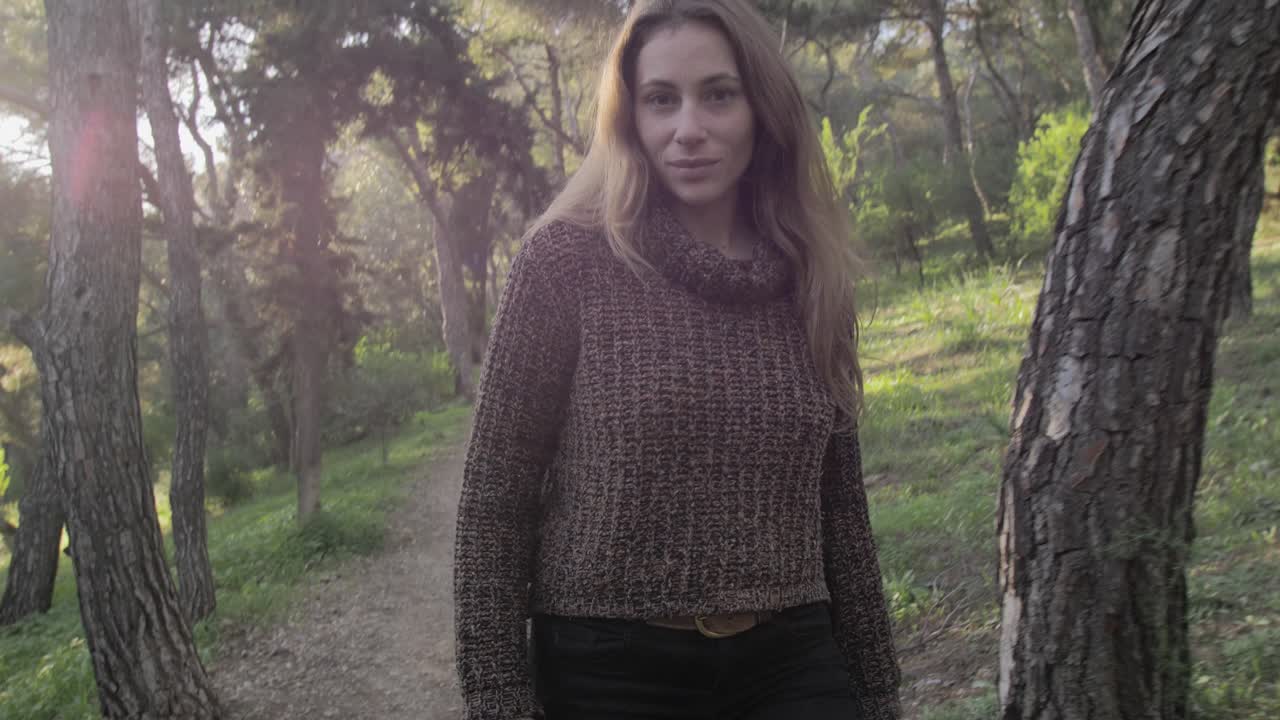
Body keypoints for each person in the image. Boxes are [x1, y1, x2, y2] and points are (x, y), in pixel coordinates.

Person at [451, 1, 900, 718]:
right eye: (661, 100)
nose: (688, 129)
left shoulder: (811, 274)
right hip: (608, 669)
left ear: (763, 108)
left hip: (794, 659)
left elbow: (841, 507)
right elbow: (495, 502)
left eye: (718, 95)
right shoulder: (566, 259)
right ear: (630, 116)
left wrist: (877, 691)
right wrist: (498, 698)